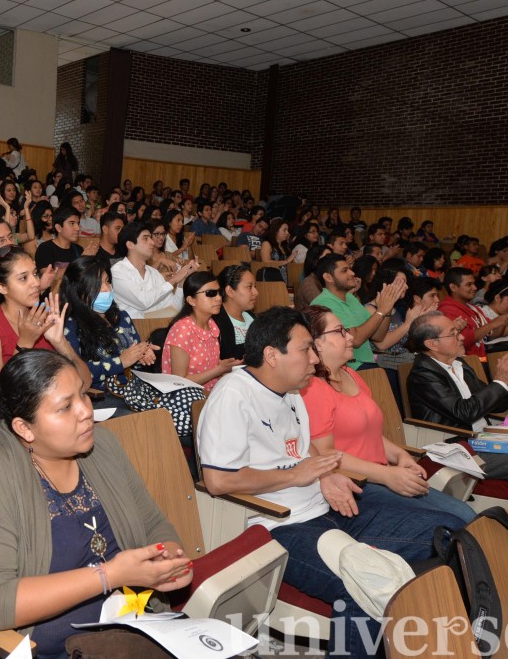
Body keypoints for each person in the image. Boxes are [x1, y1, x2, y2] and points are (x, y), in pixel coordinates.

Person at [198, 307, 465, 658]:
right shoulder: (234, 395)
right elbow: (218, 481)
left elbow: (301, 447)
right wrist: (300, 474)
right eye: (306, 349)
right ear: (272, 355)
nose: (314, 358)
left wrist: (326, 473)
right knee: (365, 585)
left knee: (447, 531)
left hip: (328, 508)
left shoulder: (293, 391)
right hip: (279, 525)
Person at [0, 349, 192, 658]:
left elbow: (152, 523)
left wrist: (167, 560)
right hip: (50, 648)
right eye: (65, 407)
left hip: (132, 623)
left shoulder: (100, 445)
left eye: (83, 395)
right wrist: (109, 576)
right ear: (24, 428)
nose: (86, 411)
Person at [301, 306, 476, 524]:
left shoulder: (352, 375)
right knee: (452, 521)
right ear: (316, 342)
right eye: (339, 331)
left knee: (464, 513)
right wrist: (386, 475)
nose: (349, 336)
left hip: (381, 476)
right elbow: (325, 455)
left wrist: (401, 457)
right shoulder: (313, 388)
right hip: (355, 484)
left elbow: (372, 437)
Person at [405, 311, 508, 480]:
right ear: (432, 344)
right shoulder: (423, 374)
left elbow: (499, 406)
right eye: (453, 334)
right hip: (461, 448)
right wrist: (501, 381)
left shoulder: (460, 365)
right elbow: (465, 412)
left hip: (487, 439)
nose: (461, 338)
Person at [0, 245, 91, 384]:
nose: (35, 283)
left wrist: (60, 342)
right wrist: (25, 342)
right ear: (2, 287)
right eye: (23, 278)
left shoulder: (43, 317)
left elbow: (85, 383)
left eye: (34, 274)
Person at [60, 256, 156, 413]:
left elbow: (134, 355)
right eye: (97, 285)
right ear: (78, 290)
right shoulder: (70, 326)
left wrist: (144, 353)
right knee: (146, 420)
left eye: (107, 281)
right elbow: (76, 373)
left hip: (133, 389)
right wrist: (120, 362)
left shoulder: (122, 316)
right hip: (100, 397)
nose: (106, 289)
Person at [310, 254, 404, 370]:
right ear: (328, 278)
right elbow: (356, 340)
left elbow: (378, 336)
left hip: (367, 364)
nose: (352, 273)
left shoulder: (350, 298)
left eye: (350, 268)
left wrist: (387, 309)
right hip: (348, 367)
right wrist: (380, 311)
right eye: (345, 270)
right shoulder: (324, 303)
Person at [162, 271, 240, 392]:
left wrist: (225, 366)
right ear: (191, 300)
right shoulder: (182, 330)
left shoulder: (212, 326)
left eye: (219, 293)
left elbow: (205, 366)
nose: (218, 298)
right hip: (189, 397)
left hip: (210, 391)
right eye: (210, 293)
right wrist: (219, 370)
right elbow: (179, 381)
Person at [111, 222, 197, 319]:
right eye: (145, 238)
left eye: (150, 238)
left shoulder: (154, 273)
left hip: (155, 328)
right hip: (133, 330)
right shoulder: (118, 271)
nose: (152, 242)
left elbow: (174, 308)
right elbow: (142, 302)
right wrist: (173, 280)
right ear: (130, 245)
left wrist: (181, 282)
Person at [213, 263, 258, 361]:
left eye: (255, 286)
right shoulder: (214, 324)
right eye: (249, 287)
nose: (256, 292)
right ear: (230, 291)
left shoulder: (252, 318)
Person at [34, 206, 88, 272]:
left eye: (78, 223)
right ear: (58, 227)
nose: (77, 228)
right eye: (72, 223)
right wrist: (81, 261)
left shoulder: (78, 249)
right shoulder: (45, 249)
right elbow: (50, 278)